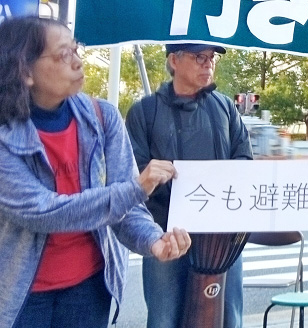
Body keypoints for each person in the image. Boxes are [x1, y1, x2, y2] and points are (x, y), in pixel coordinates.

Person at [0, 17, 191, 328]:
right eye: (64, 54)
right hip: (20, 296)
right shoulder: (5, 134)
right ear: (25, 71)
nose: (78, 62)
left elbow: (126, 207)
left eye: (77, 50)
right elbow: (41, 211)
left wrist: (153, 239)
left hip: (90, 287)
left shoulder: (103, 117)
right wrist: (136, 188)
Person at [125, 42, 253, 328]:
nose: (208, 63)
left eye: (211, 58)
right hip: (164, 234)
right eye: (199, 57)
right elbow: (133, 174)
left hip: (222, 236)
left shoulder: (225, 107)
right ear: (174, 60)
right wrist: (156, 179)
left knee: (229, 316)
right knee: (163, 318)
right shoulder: (145, 112)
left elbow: (244, 158)